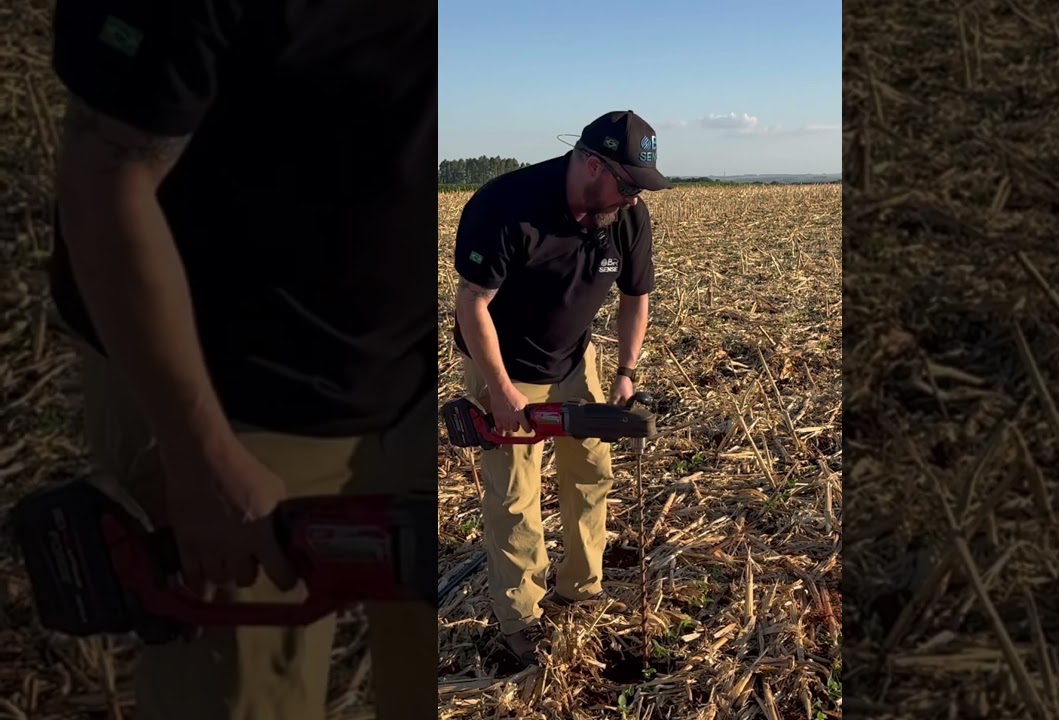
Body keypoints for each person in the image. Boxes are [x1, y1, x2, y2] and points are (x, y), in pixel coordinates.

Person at [46, 1, 436, 719]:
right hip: (234, 407)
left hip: (420, 393)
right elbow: (106, 174)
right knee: (244, 699)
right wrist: (200, 458)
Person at [450, 110, 672, 665]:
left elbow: (634, 296)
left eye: (640, 188)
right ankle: (520, 616)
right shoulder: (506, 207)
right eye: (626, 186)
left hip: (575, 358)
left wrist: (624, 371)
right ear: (591, 165)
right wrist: (500, 391)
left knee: (591, 472)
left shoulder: (627, 216)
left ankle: (580, 587)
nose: (633, 199)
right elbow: (471, 303)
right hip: (503, 362)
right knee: (513, 494)